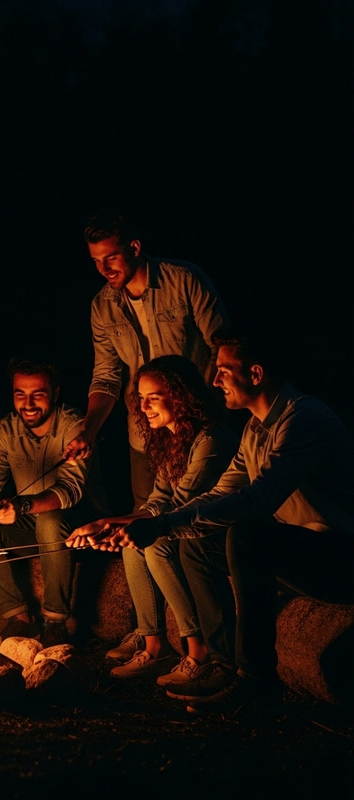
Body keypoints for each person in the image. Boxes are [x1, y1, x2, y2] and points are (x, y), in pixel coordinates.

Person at [100, 325, 354, 714]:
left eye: (223, 369)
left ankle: (258, 684)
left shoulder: (302, 419)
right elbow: (220, 494)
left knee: (249, 536)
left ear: (255, 374)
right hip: (301, 551)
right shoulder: (254, 430)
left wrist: (163, 524)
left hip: (339, 555)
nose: (214, 379)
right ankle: (221, 663)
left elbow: (259, 497)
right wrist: (154, 525)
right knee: (201, 543)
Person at [63, 210, 230, 662]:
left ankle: (204, 648)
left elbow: (222, 345)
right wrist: (89, 431)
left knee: (174, 530)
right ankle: (149, 635)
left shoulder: (183, 281)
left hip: (197, 425)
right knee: (145, 525)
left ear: (134, 248)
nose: (104, 270)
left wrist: (217, 410)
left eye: (111, 258)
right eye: (96, 261)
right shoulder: (103, 306)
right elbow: (106, 376)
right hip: (148, 436)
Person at [66, 355, 238, 685]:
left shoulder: (211, 440)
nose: (143, 407)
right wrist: (110, 524)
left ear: (180, 394)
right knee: (134, 545)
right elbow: (158, 501)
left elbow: (180, 503)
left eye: (153, 398)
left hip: (215, 532)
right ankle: (155, 645)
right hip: (181, 525)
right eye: (140, 399)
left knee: (155, 545)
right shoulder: (170, 439)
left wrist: (113, 523)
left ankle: (197, 649)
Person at [0, 357, 89, 648]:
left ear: (55, 393)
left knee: (51, 521)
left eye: (37, 394)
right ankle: (20, 618)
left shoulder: (73, 424)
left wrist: (23, 506)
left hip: (78, 523)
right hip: (32, 522)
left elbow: (70, 491)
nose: (27, 404)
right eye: (20, 394)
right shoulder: (7, 429)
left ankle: (54, 621)